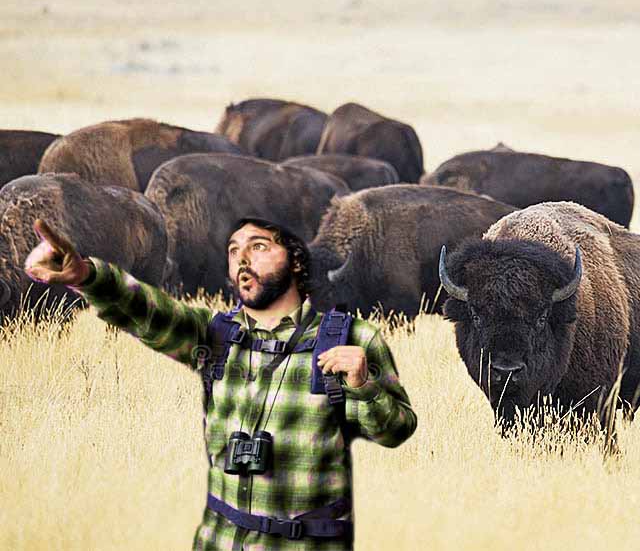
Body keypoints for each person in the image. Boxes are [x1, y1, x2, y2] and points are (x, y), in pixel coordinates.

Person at [24, 216, 417, 550]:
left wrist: (363, 385)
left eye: (259, 246)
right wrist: (87, 276)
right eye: (233, 251)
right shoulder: (215, 335)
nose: (243, 259)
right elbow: (145, 312)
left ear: (296, 261)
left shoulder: (351, 339)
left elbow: (396, 430)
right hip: (217, 539)